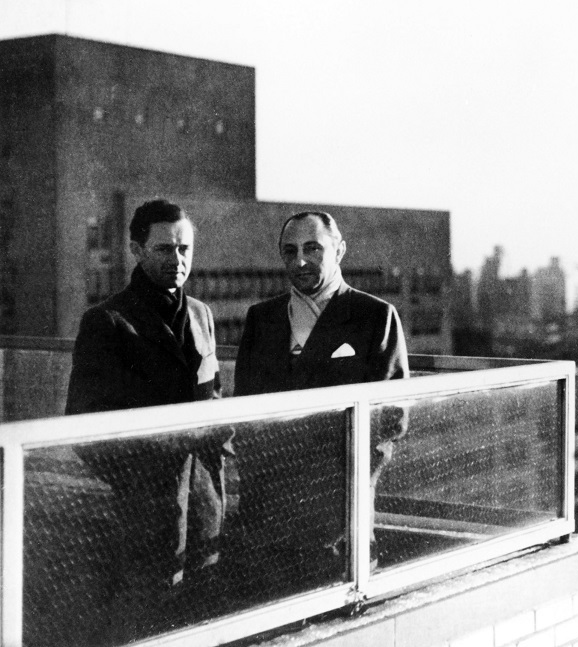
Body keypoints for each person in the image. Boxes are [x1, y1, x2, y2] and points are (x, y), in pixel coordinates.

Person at [65, 199, 232, 635]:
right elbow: (83, 427)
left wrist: (218, 462)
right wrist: (141, 481)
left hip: (205, 511)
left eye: (184, 249)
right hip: (146, 520)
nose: (177, 260)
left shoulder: (201, 314)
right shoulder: (107, 322)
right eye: (163, 249)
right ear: (137, 250)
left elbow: (214, 399)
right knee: (148, 626)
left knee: (203, 622)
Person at [234, 211, 408, 584]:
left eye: (312, 248)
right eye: (289, 250)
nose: (299, 261)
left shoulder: (374, 316)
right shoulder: (261, 319)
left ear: (340, 250)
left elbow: (390, 421)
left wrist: (342, 496)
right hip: (267, 519)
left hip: (339, 517)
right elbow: (245, 414)